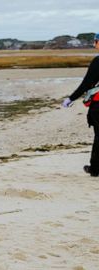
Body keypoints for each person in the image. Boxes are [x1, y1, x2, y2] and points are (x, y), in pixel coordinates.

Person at [61, 33, 99, 177]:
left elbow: (87, 83)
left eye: (95, 42)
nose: (94, 44)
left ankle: (95, 169)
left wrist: (71, 98)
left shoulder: (98, 61)